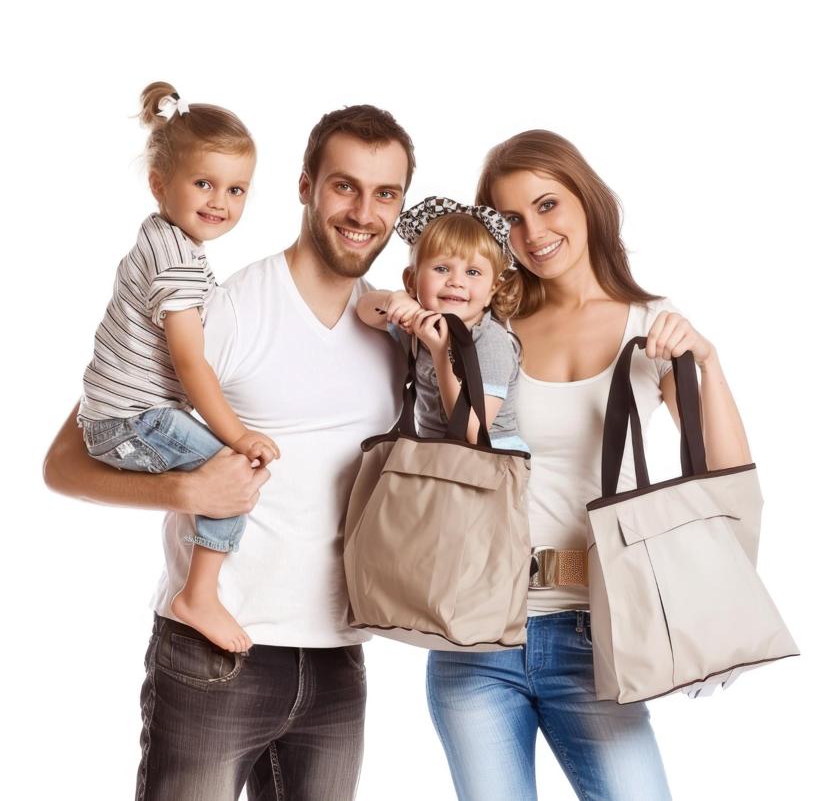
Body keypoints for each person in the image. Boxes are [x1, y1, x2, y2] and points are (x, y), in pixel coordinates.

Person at [43, 104, 415, 801]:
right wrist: (183, 492)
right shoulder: (231, 307)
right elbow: (64, 461)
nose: (363, 211)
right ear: (304, 187)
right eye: (343, 186)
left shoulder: (391, 328)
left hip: (338, 658)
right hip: (215, 659)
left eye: (384, 192)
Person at [424, 130, 753, 801]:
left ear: (586, 202)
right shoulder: (491, 324)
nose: (534, 232)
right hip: (476, 629)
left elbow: (725, 478)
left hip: (596, 630)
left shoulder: (650, 323)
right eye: (511, 219)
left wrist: (705, 362)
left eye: (547, 205)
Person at [78, 81, 278, 654]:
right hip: (132, 420)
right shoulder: (178, 263)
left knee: (224, 466)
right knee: (233, 472)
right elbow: (190, 365)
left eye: (236, 189)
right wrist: (236, 435)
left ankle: (201, 588)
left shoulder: (163, 237)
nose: (220, 201)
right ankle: (199, 593)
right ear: (159, 184)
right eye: (203, 184)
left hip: (118, 413)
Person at [356, 196, 528, 452]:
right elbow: (364, 309)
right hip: (437, 458)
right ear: (412, 280)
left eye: (472, 272)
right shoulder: (422, 325)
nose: (456, 281)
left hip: (488, 465)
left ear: (492, 291)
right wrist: (397, 300)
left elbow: (472, 431)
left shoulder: (491, 341)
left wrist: (440, 354)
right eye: (441, 268)